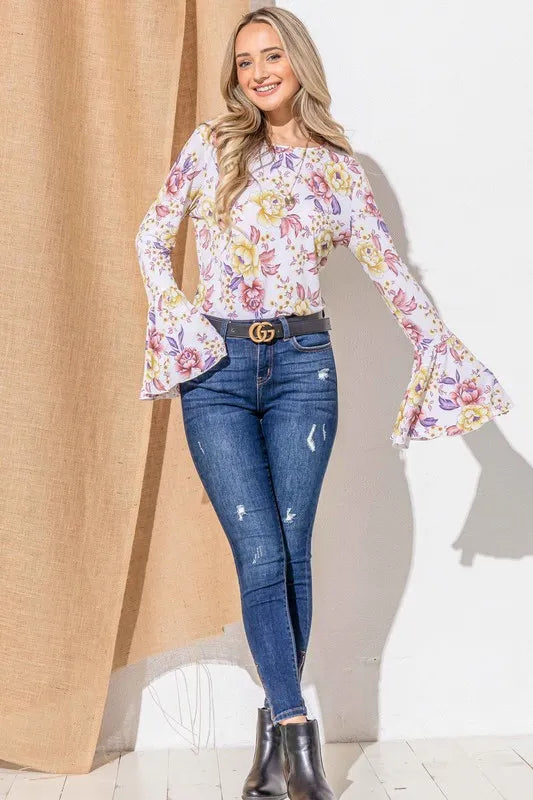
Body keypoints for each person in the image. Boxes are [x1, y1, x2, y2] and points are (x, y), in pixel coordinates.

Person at [135, 7, 514, 800]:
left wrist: (446, 358)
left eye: (273, 55)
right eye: (245, 62)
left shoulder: (340, 169)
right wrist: (179, 320)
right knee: (260, 554)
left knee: (294, 550)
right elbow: (151, 237)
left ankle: (272, 744)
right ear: (234, 76)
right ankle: (296, 732)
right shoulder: (212, 146)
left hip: (306, 366)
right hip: (220, 370)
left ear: (299, 63)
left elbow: (390, 271)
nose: (259, 71)